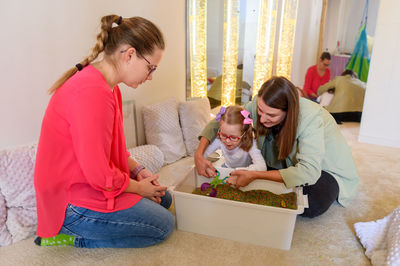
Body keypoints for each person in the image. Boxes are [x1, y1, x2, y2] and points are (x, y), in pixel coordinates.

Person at [33, 15, 174, 248]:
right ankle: (64, 236)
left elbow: (111, 149)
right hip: (70, 202)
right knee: (163, 225)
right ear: (129, 55)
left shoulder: (109, 88)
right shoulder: (91, 93)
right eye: (151, 68)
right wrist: (138, 187)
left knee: (163, 198)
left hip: (88, 179)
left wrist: (138, 170)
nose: (151, 77)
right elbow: (98, 173)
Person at [195, 76, 359, 218]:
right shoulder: (260, 106)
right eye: (260, 110)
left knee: (311, 203)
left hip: (324, 168)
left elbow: (309, 171)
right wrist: (199, 154)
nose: (263, 118)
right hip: (288, 162)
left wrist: (257, 175)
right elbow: (222, 120)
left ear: (289, 111)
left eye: (271, 115)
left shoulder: (311, 118)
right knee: (254, 173)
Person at [203, 105, 267, 184]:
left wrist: (239, 171)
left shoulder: (251, 143)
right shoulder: (220, 140)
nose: (227, 141)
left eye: (233, 137)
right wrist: (206, 166)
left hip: (245, 171)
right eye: (223, 135)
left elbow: (262, 167)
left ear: (244, 134)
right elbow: (203, 155)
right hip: (227, 167)